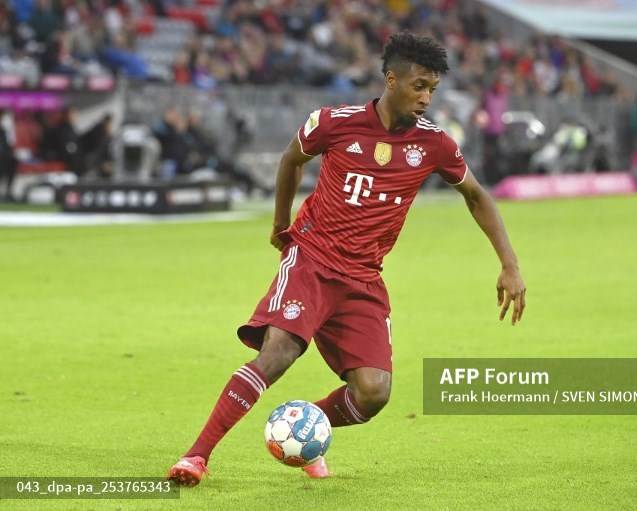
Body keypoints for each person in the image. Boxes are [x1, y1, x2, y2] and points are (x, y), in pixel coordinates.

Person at [166, 32, 527, 486]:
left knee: (374, 394)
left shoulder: (435, 144)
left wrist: (509, 264)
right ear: (390, 79)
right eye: (418, 86)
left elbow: (476, 196)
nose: (425, 98)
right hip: (312, 260)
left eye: (432, 89)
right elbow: (291, 160)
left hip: (363, 279)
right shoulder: (333, 122)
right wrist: (281, 224)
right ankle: (196, 456)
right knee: (277, 353)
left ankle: (304, 426)